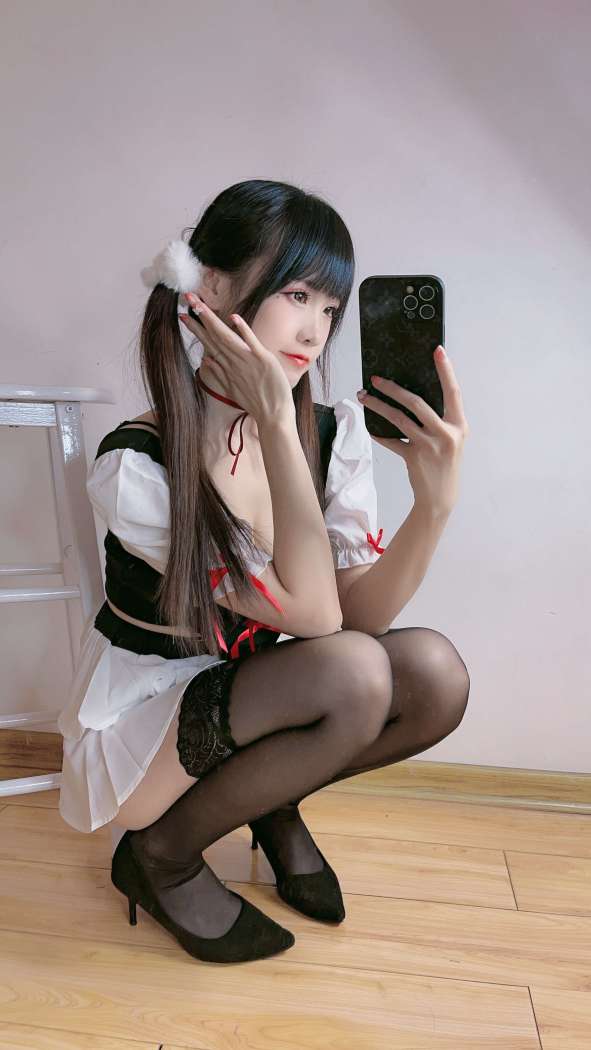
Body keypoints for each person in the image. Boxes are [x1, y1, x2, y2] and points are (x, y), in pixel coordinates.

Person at [57, 178, 471, 965]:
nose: (315, 331)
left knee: (432, 675)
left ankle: (272, 796)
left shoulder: (333, 434)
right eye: (296, 294)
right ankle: (160, 854)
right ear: (210, 287)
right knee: (352, 674)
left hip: (258, 693)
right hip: (145, 724)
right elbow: (318, 622)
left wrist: (434, 505)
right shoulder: (137, 466)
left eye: (330, 308)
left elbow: (359, 618)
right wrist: (279, 427)